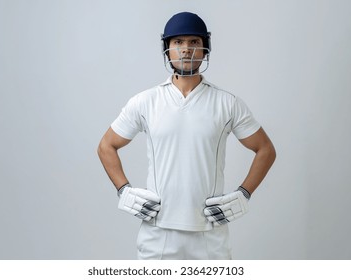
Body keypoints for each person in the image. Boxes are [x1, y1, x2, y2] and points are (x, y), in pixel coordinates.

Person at [97, 11, 276, 260]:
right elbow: (107, 145)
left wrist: (243, 194)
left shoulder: (227, 103)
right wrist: (123, 190)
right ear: (167, 49)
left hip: (210, 233)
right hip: (157, 233)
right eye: (178, 42)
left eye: (194, 42)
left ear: (205, 49)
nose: (186, 49)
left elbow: (265, 149)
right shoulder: (145, 101)